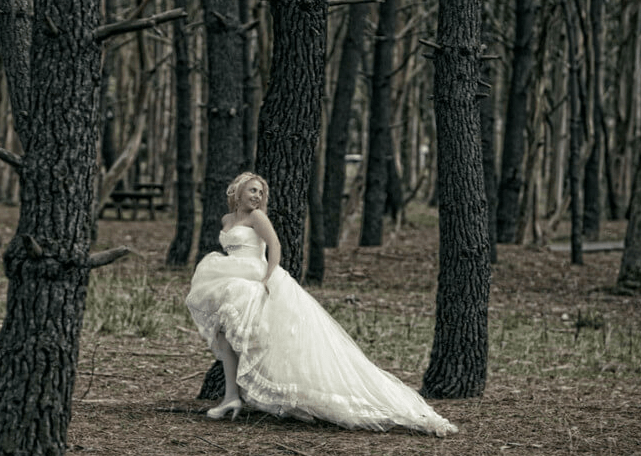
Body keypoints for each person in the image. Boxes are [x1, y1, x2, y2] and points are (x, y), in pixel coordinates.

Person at [185, 172, 458, 436]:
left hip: (257, 278)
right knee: (226, 334)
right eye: (253, 190)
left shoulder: (258, 217)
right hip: (232, 277)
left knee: (274, 340)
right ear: (239, 190)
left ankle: (304, 392)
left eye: (261, 192)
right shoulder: (227, 218)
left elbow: (275, 245)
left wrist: (269, 276)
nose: (257, 196)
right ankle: (231, 397)